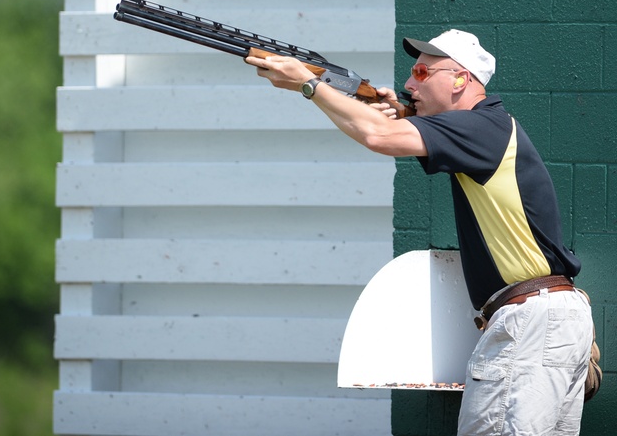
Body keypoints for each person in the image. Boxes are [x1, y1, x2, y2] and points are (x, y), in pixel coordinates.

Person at [247, 29, 593, 436]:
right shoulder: (488, 128)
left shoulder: (482, 128)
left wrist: (309, 84)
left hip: (530, 320)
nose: (410, 84)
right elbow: (383, 128)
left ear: (462, 80)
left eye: (423, 72)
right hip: (547, 316)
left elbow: (377, 135)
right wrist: (393, 109)